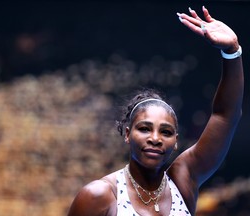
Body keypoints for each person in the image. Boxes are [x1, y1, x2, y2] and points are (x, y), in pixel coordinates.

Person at [67, 6, 244, 216]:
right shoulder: (99, 196)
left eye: (166, 132)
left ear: (176, 140)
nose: (155, 138)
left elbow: (225, 116)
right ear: (126, 133)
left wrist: (232, 51)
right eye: (144, 128)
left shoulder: (183, 180)